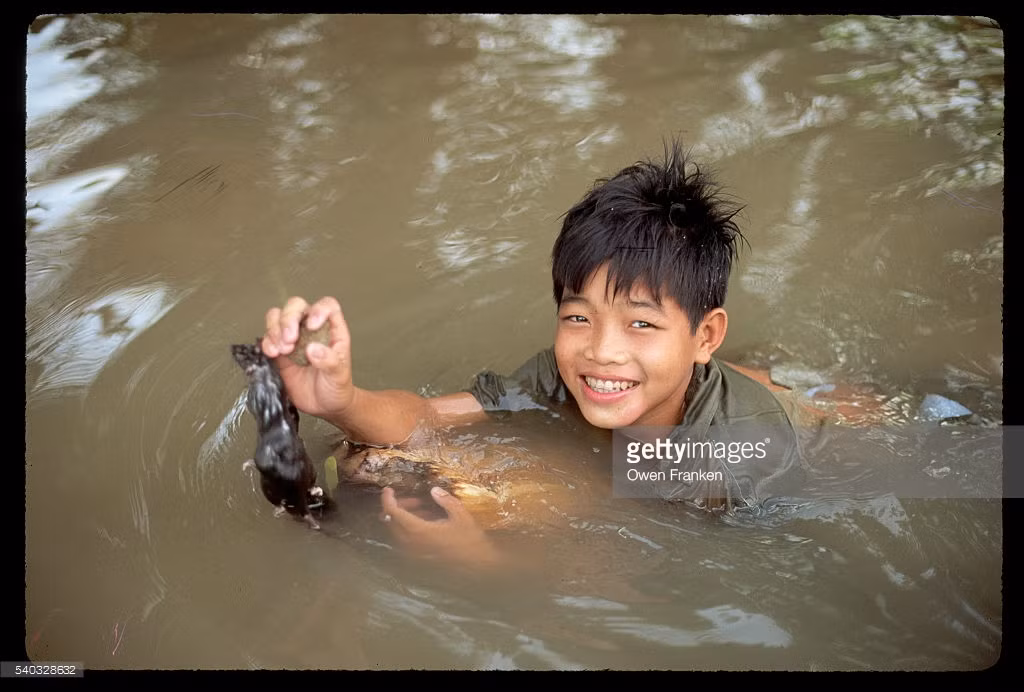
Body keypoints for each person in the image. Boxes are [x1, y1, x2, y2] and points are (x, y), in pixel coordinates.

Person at [258, 139, 867, 571]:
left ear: (705, 335)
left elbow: (631, 571)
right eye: (579, 317)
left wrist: (486, 560)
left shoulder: (726, 471)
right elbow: (427, 418)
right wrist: (342, 401)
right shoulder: (566, 370)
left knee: (841, 411)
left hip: (808, 437)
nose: (601, 350)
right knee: (376, 458)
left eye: (640, 323)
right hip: (707, 390)